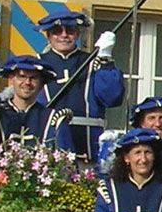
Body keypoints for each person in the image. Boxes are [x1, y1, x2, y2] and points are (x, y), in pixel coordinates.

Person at [32, 11, 124, 160]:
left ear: (78, 34)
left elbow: (112, 98)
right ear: (48, 35)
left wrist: (106, 58)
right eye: (57, 31)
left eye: (70, 30)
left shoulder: (94, 62)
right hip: (48, 144)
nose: (64, 35)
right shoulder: (36, 65)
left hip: (89, 145)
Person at [0, 56, 64, 150]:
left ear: (41, 84)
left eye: (33, 78)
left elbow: (65, 158)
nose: (27, 82)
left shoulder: (52, 118)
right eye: (22, 76)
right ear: (12, 79)